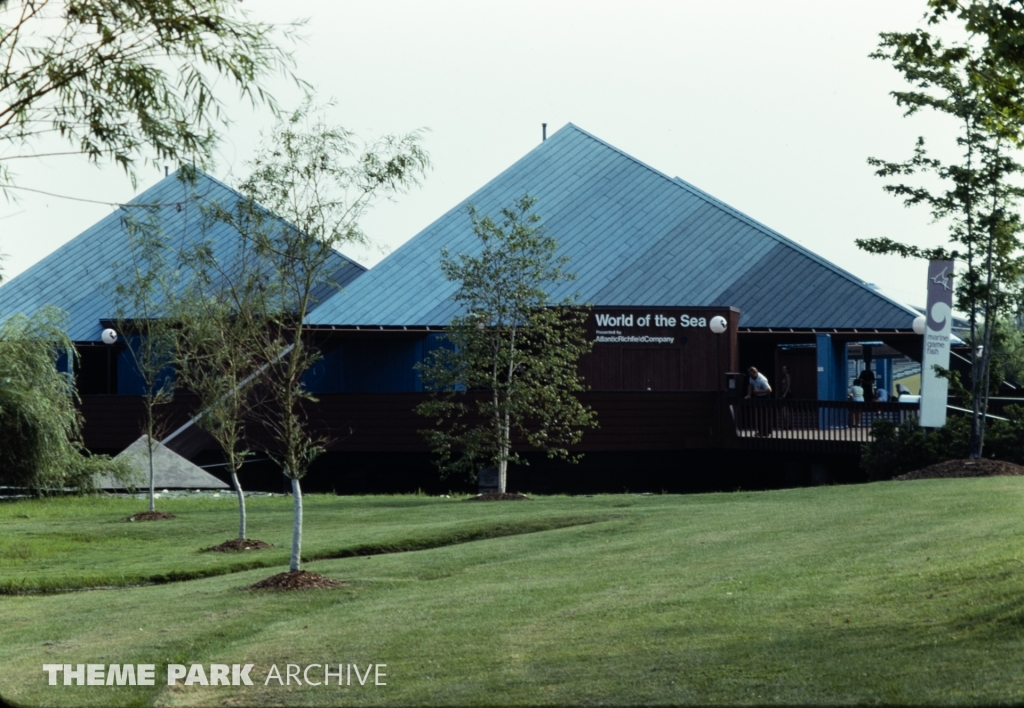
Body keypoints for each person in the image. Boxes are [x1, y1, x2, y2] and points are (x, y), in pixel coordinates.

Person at [745, 366, 773, 436]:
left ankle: (766, 432)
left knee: (765, 415)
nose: (751, 376)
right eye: (750, 375)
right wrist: (749, 395)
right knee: (759, 414)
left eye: (752, 375)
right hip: (758, 397)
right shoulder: (751, 377)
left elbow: (769, 390)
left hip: (765, 397)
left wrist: (758, 391)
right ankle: (760, 431)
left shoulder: (762, 380)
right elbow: (750, 385)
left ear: (755, 373)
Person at [778, 365, 792, 429]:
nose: (782, 370)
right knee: (784, 410)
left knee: (785, 409)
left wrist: (785, 394)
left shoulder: (787, 376)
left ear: (787, 370)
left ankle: (788, 424)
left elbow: (788, 386)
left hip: (787, 394)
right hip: (783, 393)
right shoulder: (783, 377)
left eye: (784, 369)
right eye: (782, 369)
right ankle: (786, 424)